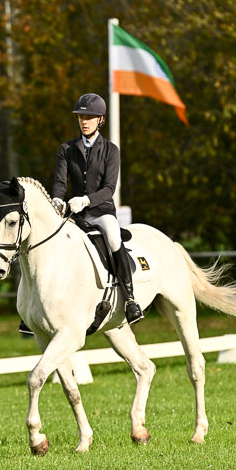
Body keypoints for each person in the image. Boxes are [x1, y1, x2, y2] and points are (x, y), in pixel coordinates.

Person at [51, 92, 144, 325]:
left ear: (100, 120)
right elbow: (61, 182)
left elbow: (109, 188)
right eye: (81, 117)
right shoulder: (67, 148)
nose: (84, 121)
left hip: (101, 212)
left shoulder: (111, 150)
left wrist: (86, 200)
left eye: (90, 117)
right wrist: (57, 199)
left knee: (113, 238)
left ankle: (130, 300)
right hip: (75, 214)